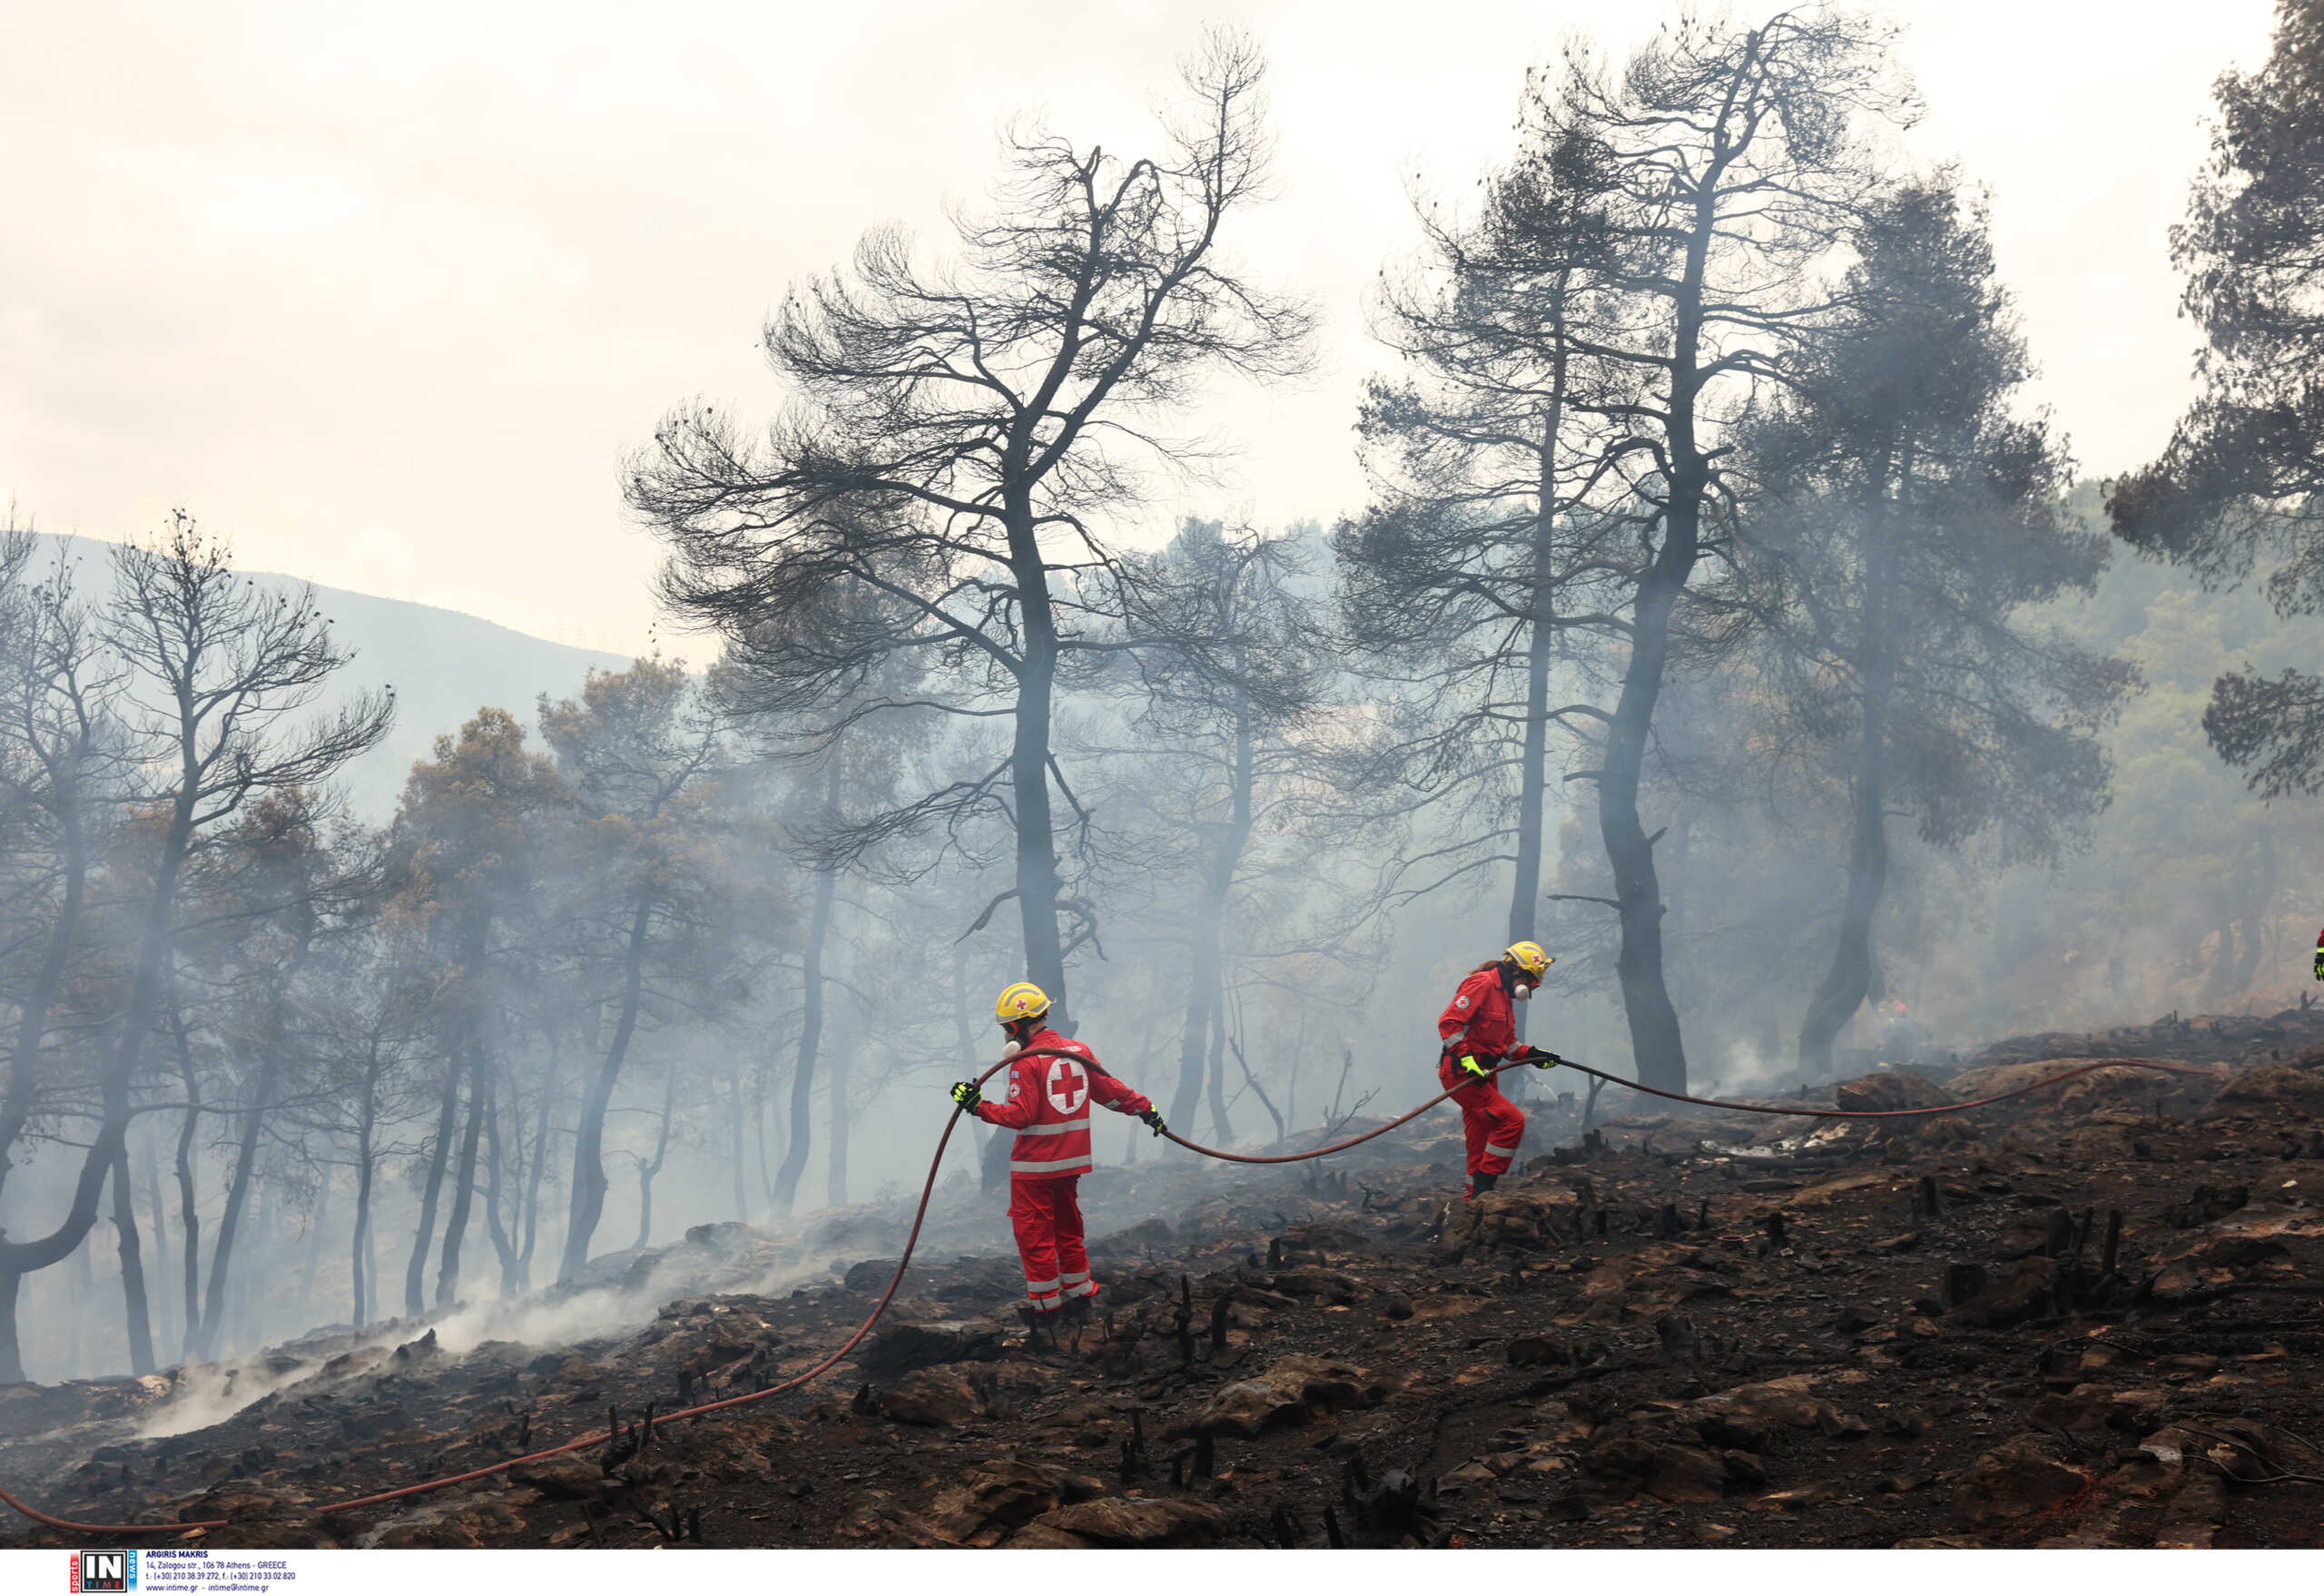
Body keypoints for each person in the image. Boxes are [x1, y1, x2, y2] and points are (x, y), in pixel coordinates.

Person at [949, 981, 1166, 1318]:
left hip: (1035, 1168)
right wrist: (1146, 1109)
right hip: (1070, 1164)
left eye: (1007, 1028)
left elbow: (1022, 1116)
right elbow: (1110, 1091)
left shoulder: (1026, 1062)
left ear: (1016, 1026)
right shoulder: (1079, 1051)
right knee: (1068, 1228)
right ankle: (1081, 1297)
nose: (1006, 1036)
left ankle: (1048, 1310)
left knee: (1034, 1236)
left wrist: (978, 1106)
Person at [1436, 941, 1567, 1199]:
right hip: (1463, 1074)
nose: (1530, 987)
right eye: (1530, 979)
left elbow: (1507, 1044)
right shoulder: (1482, 984)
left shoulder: (1504, 999)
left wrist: (1533, 1055)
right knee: (1511, 1121)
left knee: (1480, 1137)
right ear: (1516, 970)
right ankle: (1486, 1183)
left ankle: (1475, 1198)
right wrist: (1467, 1060)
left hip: (1485, 1074)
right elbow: (1449, 1024)